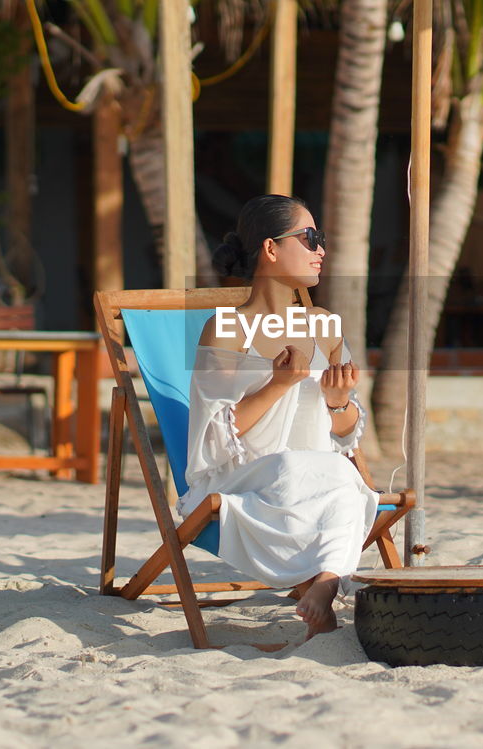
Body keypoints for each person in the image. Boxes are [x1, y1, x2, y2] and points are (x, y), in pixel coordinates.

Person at [185, 194, 378, 638]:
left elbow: (346, 436)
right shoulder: (227, 329)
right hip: (242, 481)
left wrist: (337, 402)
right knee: (319, 471)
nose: (321, 250)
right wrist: (278, 385)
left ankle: (326, 583)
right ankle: (326, 582)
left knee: (345, 480)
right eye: (310, 238)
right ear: (271, 249)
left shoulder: (325, 326)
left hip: (316, 483)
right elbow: (211, 444)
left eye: (321, 239)